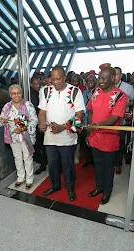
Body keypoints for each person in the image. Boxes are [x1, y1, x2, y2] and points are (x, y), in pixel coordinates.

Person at [38, 66, 85, 201]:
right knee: (52, 164)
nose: (56, 82)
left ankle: (70, 188)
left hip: (67, 137)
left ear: (65, 78)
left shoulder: (75, 91)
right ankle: (55, 185)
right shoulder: (45, 91)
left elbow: (79, 115)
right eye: (53, 79)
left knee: (68, 165)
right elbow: (42, 112)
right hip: (50, 136)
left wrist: (63, 127)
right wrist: (42, 122)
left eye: (58, 79)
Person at [86, 67, 127, 205]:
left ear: (113, 79)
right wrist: (90, 131)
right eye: (99, 78)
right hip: (95, 137)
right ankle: (99, 187)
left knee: (108, 167)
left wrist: (96, 125)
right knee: (97, 164)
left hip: (109, 138)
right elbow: (90, 111)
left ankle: (107, 192)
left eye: (104, 78)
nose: (100, 81)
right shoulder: (95, 92)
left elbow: (114, 118)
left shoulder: (120, 96)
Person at [0, 84, 38, 189]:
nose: (16, 95)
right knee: (17, 158)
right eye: (13, 93)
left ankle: (29, 179)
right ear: (10, 95)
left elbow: (34, 121)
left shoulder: (28, 105)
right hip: (13, 137)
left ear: (21, 93)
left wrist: (24, 128)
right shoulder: (7, 107)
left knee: (27, 157)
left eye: (18, 93)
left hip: (26, 136)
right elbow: (2, 121)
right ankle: (20, 177)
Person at [114, 66, 134, 175]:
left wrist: (124, 104)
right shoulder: (108, 86)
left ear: (121, 75)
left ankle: (118, 164)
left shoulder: (128, 87)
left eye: (117, 74)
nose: (114, 76)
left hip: (122, 120)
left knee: (120, 142)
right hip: (109, 120)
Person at [30, 77, 47, 175]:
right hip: (34, 124)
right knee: (38, 145)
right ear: (31, 84)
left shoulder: (41, 93)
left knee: (42, 145)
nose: (37, 86)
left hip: (41, 124)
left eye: (38, 84)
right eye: (35, 84)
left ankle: (43, 164)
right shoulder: (30, 94)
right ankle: (42, 163)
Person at [81, 74, 96, 168]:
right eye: (88, 81)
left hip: (94, 121)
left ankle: (95, 161)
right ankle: (88, 159)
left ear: (95, 82)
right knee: (84, 141)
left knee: (93, 141)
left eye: (92, 81)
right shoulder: (84, 93)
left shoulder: (97, 93)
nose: (90, 82)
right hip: (84, 121)